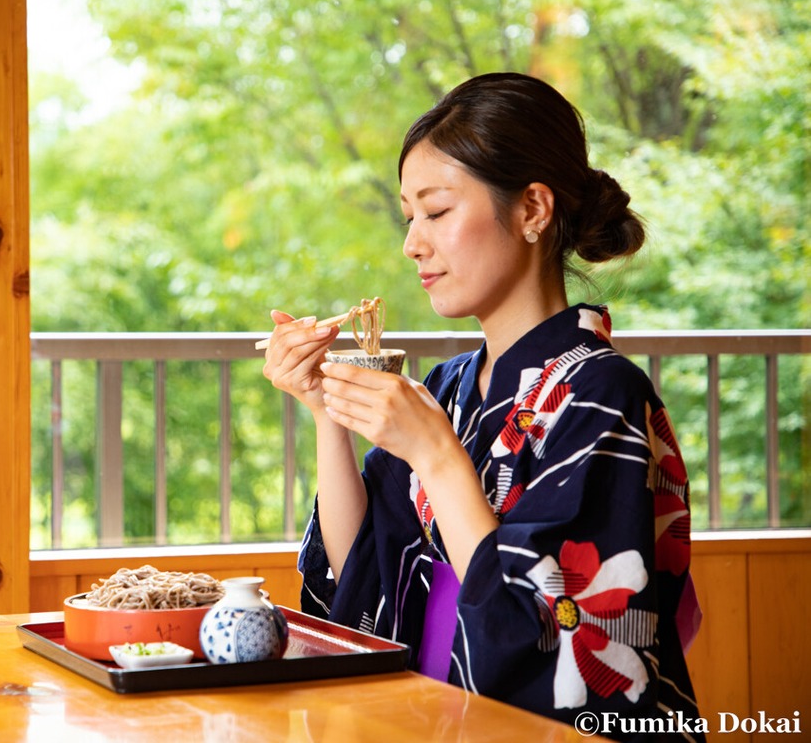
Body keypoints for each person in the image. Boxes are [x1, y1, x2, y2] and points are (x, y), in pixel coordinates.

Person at [261, 73, 703, 740]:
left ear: (531, 210)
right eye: (410, 217)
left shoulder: (604, 394)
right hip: (436, 720)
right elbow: (361, 575)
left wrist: (438, 458)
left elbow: (564, 635)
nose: (412, 242)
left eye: (436, 212)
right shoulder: (449, 388)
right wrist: (327, 411)